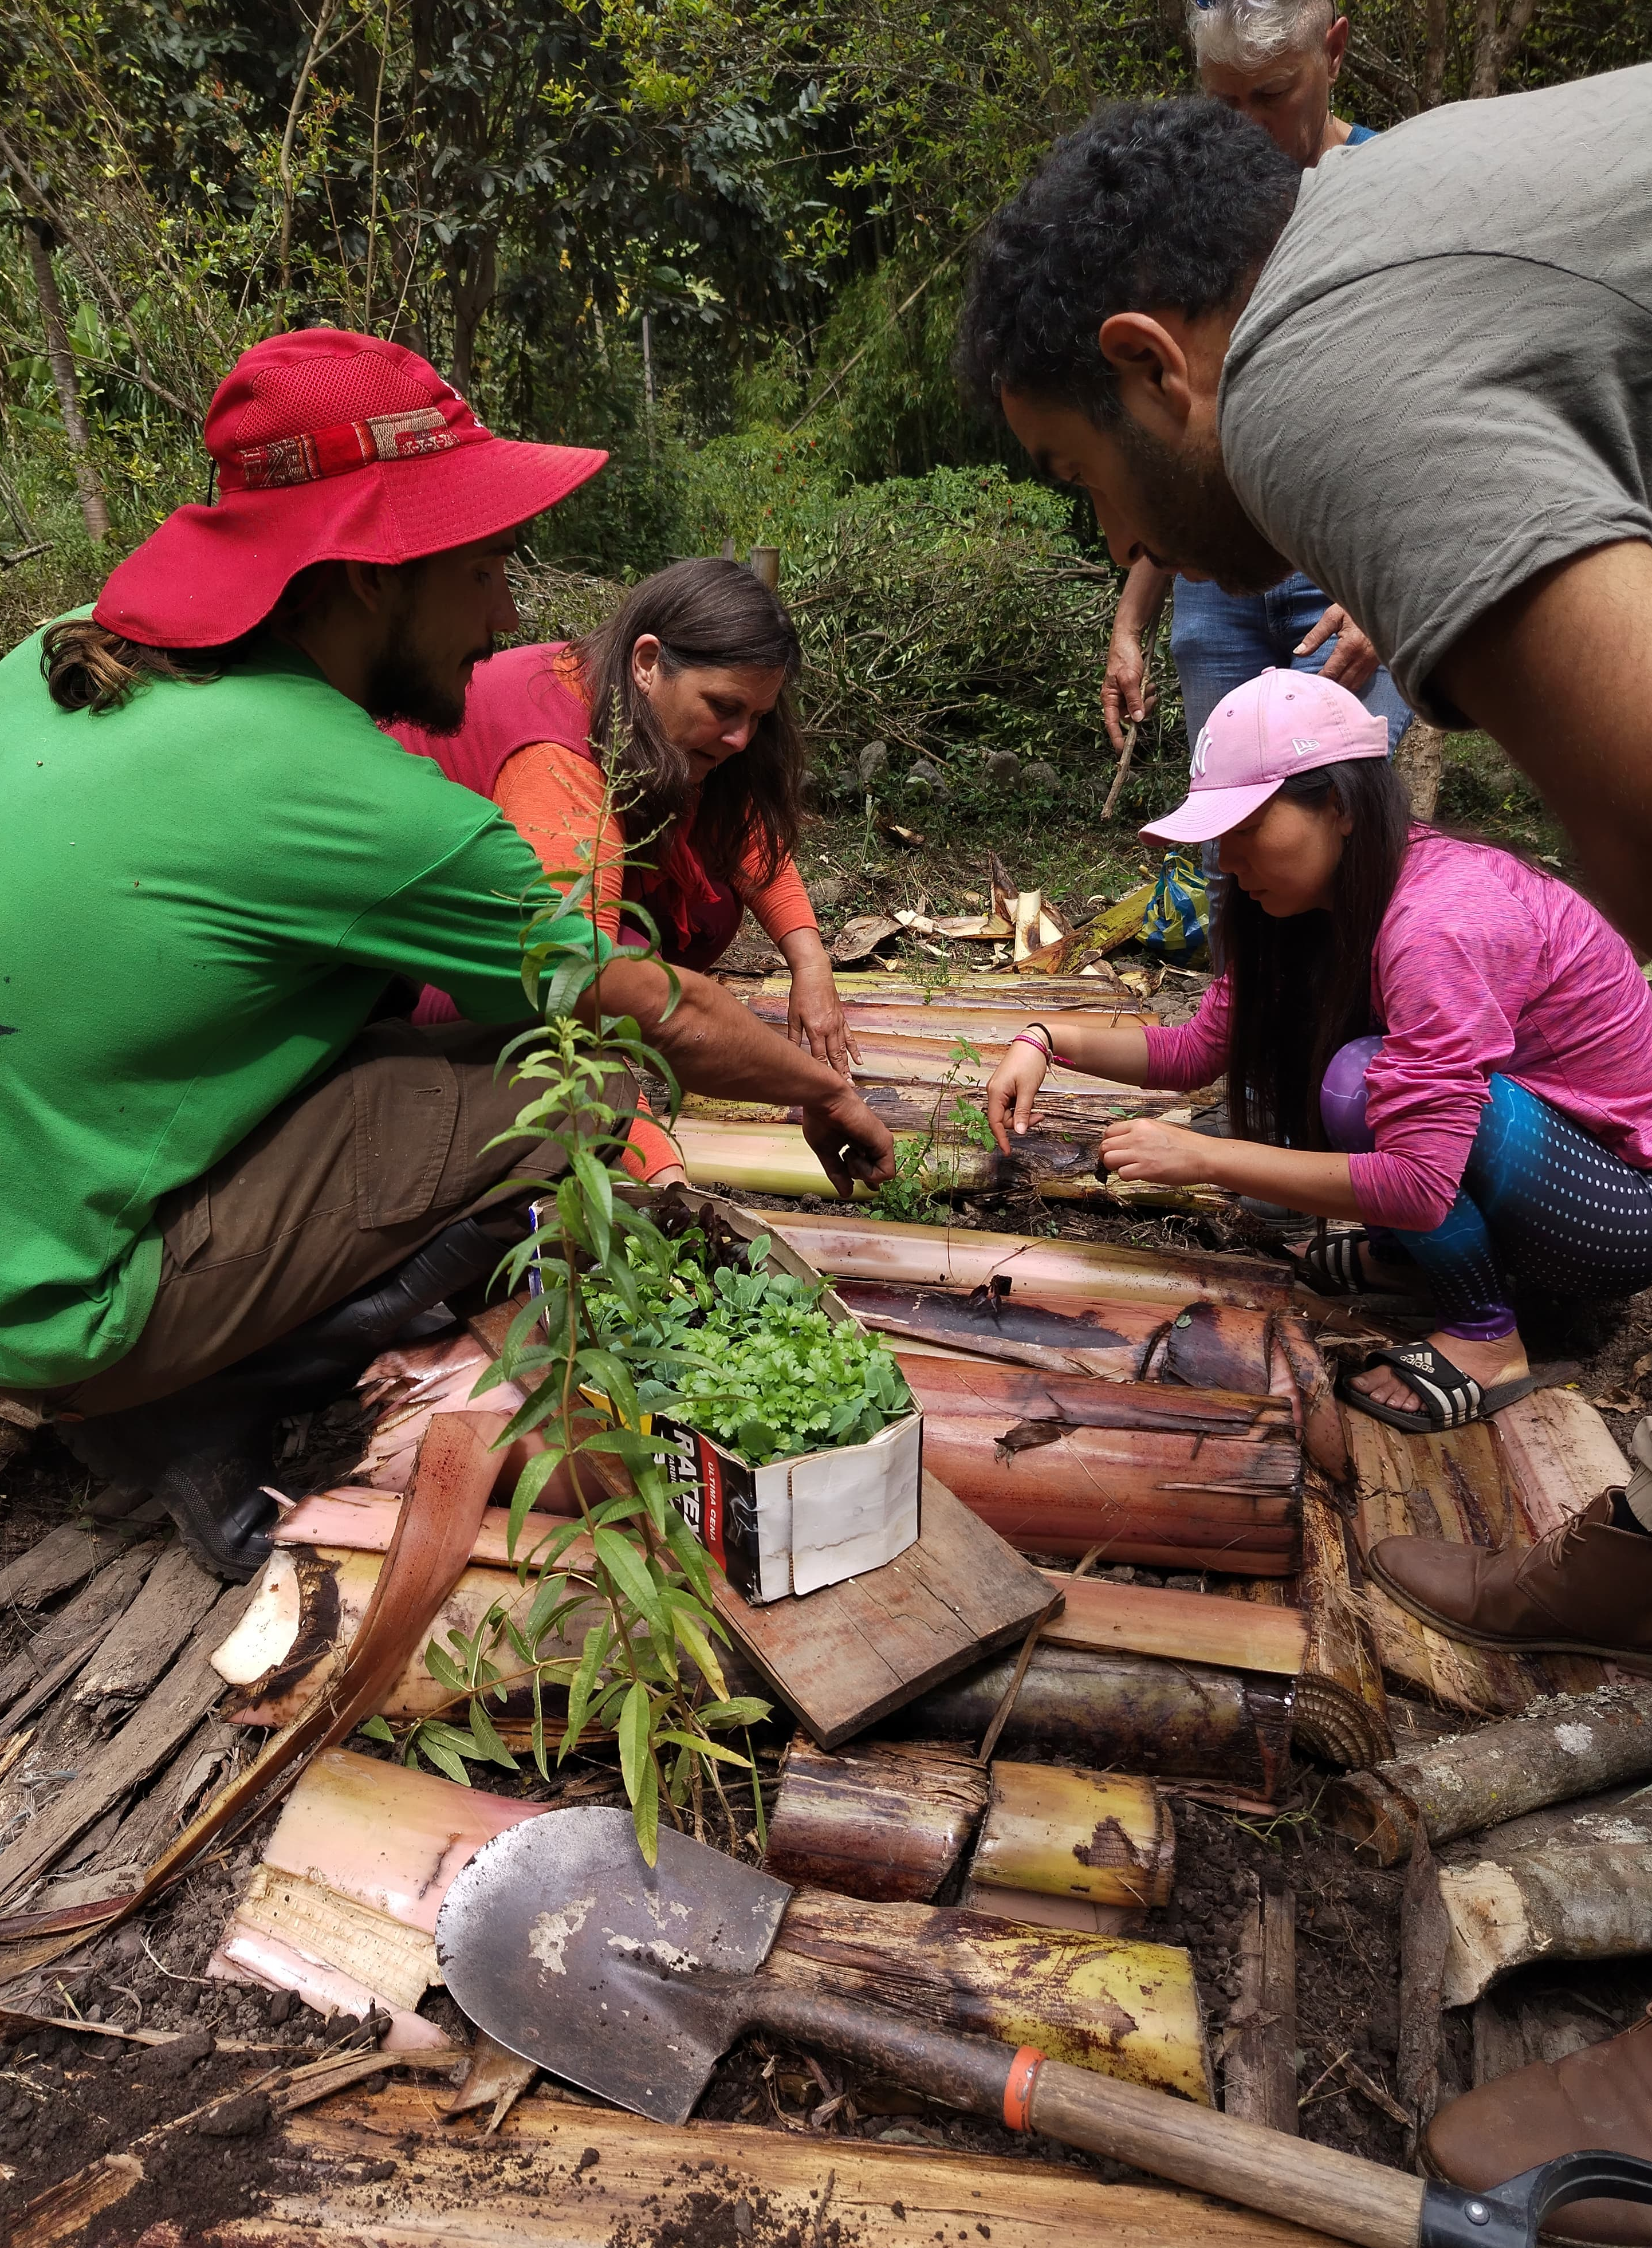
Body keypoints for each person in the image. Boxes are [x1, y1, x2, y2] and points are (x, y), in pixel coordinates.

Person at [0, 328, 892, 1580]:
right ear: (372, 574)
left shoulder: (68, 649)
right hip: (60, 1312)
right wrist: (824, 1087)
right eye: (483, 571)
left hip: (31, 1203)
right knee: (586, 1085)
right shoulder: (360, 798)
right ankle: (196, 1405)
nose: (506, 618)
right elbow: (648, 1010)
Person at [985, 667, 1652, 1650]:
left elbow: (1422, 1179)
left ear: (1336, 806)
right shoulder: (1304, 906)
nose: (1230, 856)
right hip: (1526, 1169)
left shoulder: (1436, 918)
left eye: (1249, 828)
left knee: (1351, 1083)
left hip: (1614, 1209)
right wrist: (1044, 1037)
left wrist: (1208, 1160)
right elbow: (1194, 1049)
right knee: (1361, 1083)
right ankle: (1410, 1264)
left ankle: (1482, 1331)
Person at [954, 70, 1652, 963]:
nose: (1121, 540)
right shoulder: (1366, 218)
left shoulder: (1298, 376)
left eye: (1084, 475)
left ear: (1152, 364)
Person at [392, 560, 859, 1186]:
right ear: (647, 662)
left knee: (686, 898)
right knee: (622, 960)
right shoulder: (558, 764)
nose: (743, 737)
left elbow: (744, 829)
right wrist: (664, 1176)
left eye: (758, 716)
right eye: (725, 708)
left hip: (527, 938)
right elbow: (570, 992)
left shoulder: (634, 705)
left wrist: (811, 963)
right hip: (410, 980)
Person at [1102, 0, 1410, 767]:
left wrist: (1392, 592)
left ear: (1332, 53)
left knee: (1325, 827)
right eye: (1224, 102)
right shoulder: (1193, 222)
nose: (1245, 127)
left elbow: (1442, 423)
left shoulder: (1399, 197)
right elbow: (1187, 433)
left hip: (1348, 577)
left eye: (1271, 95)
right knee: (1230, 841)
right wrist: (1131, 620)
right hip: (1216, 590)